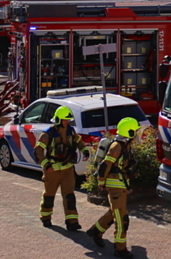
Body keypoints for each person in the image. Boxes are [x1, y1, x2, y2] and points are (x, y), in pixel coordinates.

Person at [87, 117, 140, 258]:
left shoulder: (125, 145)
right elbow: (105, 165)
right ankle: (120, 249)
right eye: (135, 131)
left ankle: (96, 231)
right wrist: (101, 181)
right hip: (115, 185)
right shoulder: (117, 146)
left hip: (120, 184)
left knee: (114, 212)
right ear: (129, 131)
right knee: (122, 218)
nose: (137, 133)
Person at [34, 106, 84, 231]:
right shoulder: (48, 133)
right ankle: (45, 217)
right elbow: (38, 150)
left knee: (69, 196)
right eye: (65, 120)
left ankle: (72, 222)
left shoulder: (71, 131)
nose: (67, 122)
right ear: (58, 120)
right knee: (49, 196)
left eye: (68, 120)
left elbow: (79, 141)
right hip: (52, 171)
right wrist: (46, 165)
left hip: (68, 169)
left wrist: (85, 150)